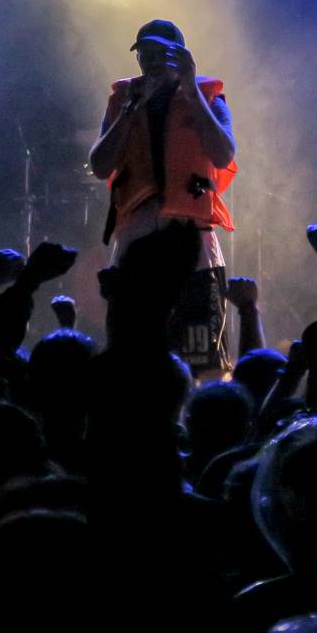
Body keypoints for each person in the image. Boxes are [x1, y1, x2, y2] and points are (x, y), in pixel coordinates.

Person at [89, 19, 237, 375]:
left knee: (200, 344)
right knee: (131, 344)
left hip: (191, 233)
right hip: (137, 231)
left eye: (162, 53)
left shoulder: (209, 97)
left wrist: (191, 90)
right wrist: (131, 110)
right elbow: (100, 165)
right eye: (145, 53)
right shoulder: (123, 100)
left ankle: (201, 402)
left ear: (181, 57)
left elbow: (223, 155)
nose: (152, 61)